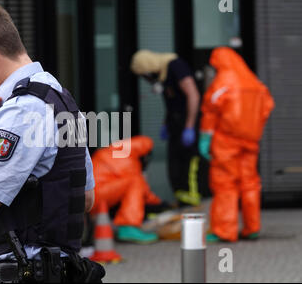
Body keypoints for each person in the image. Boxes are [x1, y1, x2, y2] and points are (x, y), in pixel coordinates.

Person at [0, 0, 104, 283]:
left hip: (24, 272)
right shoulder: (61, 98)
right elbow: (85, 197)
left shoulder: (20, 109)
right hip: (60, 270)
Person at [199, 47, 274, 242]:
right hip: (250, 141)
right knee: (250, 183)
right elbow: (267, 107)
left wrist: (205, 137)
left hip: (226, 141)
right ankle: (252, 227)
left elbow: (210, 111)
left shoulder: (221, 83)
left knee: (225, 184)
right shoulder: (255, 83)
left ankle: (224, 230)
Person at [130, 50, 208, 207]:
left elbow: (193, 95)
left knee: (189, 164)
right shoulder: (163, 75)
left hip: (187, 124)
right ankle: (182, 200)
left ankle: (192, 200)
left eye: (144, 74)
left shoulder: (175, 66)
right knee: (175, 166)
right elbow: (171, 103)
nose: (146, 79)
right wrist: (166, 123)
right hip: (175, 125)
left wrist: (190, 126)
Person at [90, 135, 162, 243]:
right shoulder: (128, 158)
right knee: (134, 181)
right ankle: (129, 226)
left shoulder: (113, 151)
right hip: (97, 195)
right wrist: (157, 202)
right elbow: (140, 187)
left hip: (92, 196)